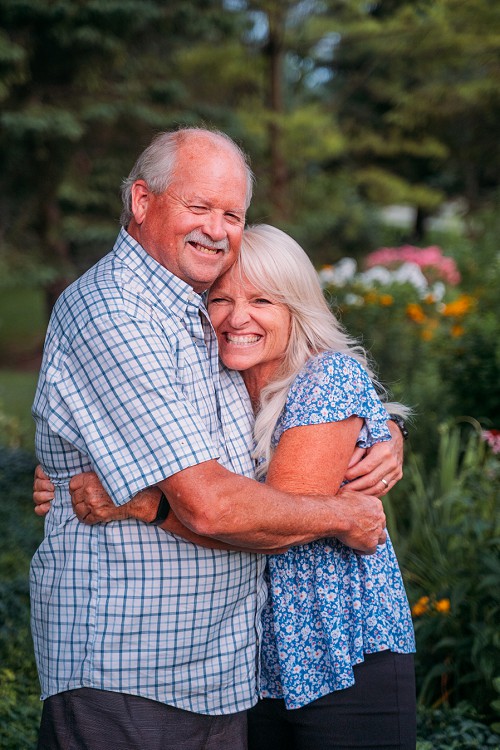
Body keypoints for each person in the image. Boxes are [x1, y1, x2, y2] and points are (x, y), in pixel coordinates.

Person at [31, 127, 405, 750]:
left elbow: (264, 494)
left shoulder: (196, 319)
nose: (216, 227)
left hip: (264, 669)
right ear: (143, 202)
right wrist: (344, 512)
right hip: (131, 666)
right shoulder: (117, 312)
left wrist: (385, 429)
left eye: (231, 213)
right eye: (198, 206)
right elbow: (216, 505)